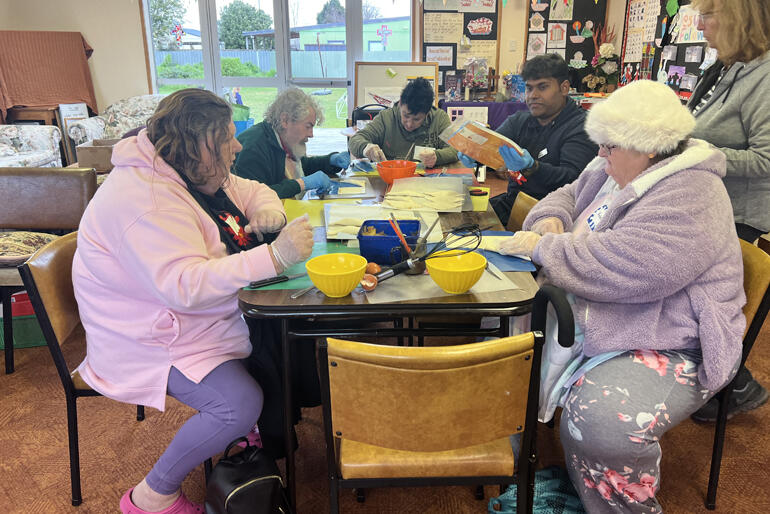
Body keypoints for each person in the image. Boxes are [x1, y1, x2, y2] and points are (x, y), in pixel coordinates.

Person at [498, 80, 745, 512]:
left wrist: (542, 247)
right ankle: (534, 466)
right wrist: (552, 219)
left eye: (608, 146)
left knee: (601, 422)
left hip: (673, 337)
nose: (600, 155)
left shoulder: (692, 191)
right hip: (619, 314)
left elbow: (635, 268)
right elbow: (566, 194)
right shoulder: (614, 168)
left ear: (648, 146)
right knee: (501, 349)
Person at [72, 89, 314, 513]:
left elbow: (250, 188)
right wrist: (274, 255)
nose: (237, 145)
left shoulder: (185, 167)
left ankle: (256, 433)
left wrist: (268, 210)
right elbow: (182, 285)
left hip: (189, 316)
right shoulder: (144, 200)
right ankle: (151, 495)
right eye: (226, 138)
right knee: (238, 405)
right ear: (197, 142)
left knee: (285, 336)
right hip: (147, 336)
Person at [686, 0, 770, 423]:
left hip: (736, 213)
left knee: (710, 305)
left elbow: (767, 160)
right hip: (707, 205)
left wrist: (697, 153)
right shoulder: (726, 68)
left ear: (741, 18)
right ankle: (726, 379)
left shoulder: (766, 77)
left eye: (709, 15)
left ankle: (734, 383)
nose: (700, 25)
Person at [458, 53, 597, 226]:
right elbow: (491, 148)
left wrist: (532, 167)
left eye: (542, 87)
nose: (533, 95)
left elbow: (573, 180)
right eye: (529, 88)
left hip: (553, 218)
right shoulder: (519, 120)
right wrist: (476, 155)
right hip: (513, 203)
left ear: (564, 88)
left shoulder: (582, 127)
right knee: (457, 222)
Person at [232, 87, 351, 199]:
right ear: (285, 120)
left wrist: (331, 160)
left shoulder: (280, 140)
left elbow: (302, 165)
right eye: (308, 126)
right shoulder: (254, 147)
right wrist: (300, 184)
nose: (311, 134)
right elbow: (253, 197)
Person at [348, 77, 456, 168]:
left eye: (417, 119)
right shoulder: (386, 118)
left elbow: (455, 149)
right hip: (390, 182)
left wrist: (437, 156)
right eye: (406, 115)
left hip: (427, 183)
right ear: (400, 103)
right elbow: (355, 141)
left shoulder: (439, 118)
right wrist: (366, 148)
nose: (409, 124)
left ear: (427, 113)